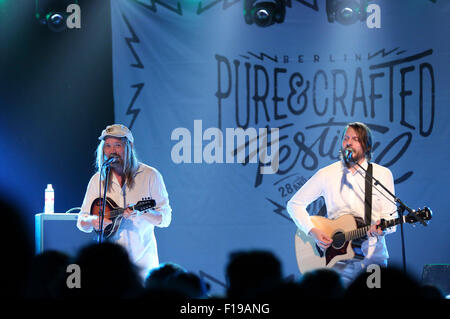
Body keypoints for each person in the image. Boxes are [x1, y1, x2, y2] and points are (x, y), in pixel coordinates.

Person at [286, 122, 397, 285]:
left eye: (355, 139)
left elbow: (391, 220)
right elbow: (294, 204)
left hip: (373, 260)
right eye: (345, 139)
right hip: (337, 263)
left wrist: (381, 229)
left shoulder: (381, 174)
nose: (348, 143)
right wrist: (312, 230)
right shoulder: (327, 174)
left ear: (367, 146)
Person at [77, 124, 172, 280]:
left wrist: (143, 212)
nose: (112, 150)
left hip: (143, 264)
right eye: (107, 146)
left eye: (117, 145)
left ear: (129, 146)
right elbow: (82, 220)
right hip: (109, 265)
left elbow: (166, 218)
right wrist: (93, 220)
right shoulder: (97, 179)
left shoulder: (150, 175)